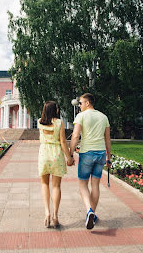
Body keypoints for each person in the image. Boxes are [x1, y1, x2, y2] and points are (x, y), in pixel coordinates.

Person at [69, 93, 111, 230]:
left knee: (82, 185)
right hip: (100, 153)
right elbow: (107, 139)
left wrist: (70, 153)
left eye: (80, 103)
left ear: (87, 103)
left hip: (86, 153)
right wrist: (108, 156)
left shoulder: (81, 116)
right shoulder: (104, 117)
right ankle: (93, 213)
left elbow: (75, 135)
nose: (79, 105)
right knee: (96, 185)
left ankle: (89, 211)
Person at [37, 101, 74, 228]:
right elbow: (63, 142)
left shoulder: (39, 122)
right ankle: (55, 216)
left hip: (44, 154)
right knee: (56, 186)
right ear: (55, 110)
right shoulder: (59, 123)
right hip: (56, 154)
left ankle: (47, 212)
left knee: (44, 184)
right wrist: (69, 157)